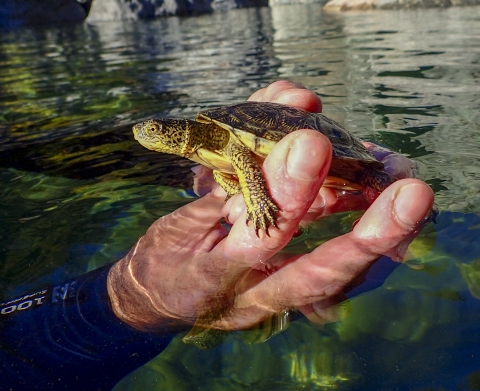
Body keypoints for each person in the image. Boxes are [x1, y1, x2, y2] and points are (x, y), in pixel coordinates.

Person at [0, 81, 434, 390]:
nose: (145, 134)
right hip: (78, 333)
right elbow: (231, 163)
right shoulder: (205, 147)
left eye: (154, 130)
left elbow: (240, 155)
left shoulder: (218, 138)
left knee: (366, 175)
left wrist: (255, 198)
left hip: (322, 153)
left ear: (180, 131)